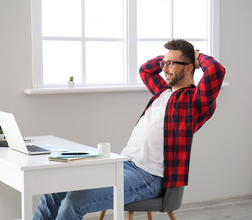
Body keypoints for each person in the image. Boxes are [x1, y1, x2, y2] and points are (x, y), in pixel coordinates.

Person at [33, 39, 225, 220]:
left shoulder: (196, 102)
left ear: (189, 67)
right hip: (122, 163)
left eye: (170, 64)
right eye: (164, 64)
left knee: (73, 204)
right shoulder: (163, 92)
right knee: (54, 187)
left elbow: (216, 71)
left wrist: (198, 57)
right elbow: (145, 70)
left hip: (148, 176)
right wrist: (169, 60)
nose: (164, 69)